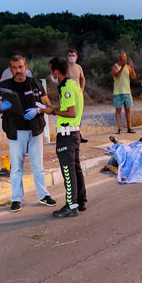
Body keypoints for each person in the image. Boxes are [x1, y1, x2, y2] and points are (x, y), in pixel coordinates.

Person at [0, 55, 56, 212]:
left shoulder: (35, 83)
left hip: (35, 130)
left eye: (21, 67)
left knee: (38, 166)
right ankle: (16, 199)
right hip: (15, 132)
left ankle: (43, 195)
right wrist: (2, 107)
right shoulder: (5, 86)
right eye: (15, 68)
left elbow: (48, 105)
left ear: (26, 67)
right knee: (16, 168)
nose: (18, 70)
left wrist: (38, 109)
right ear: (11, 70)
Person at [44, 57, 87, 218]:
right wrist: (52, 109)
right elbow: (68, 108)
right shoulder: (74, 84)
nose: (51, 75)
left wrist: (52, 112)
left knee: (68, 171)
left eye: (51, 71)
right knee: (75, 168)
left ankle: (71, 206)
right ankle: (80, 201)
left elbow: (71, 112)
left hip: (67, 135)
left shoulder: (66, 87)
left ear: (56, 72)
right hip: (74, 133)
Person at [111, 51, 137, 134]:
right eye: (123, 57)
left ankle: (129, 128)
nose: (124, 59)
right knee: (118, 110)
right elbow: (117, 76)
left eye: (125, 57)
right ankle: (120, 128)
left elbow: (133, 76)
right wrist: (122, 67)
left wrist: (132, 67)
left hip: (127, 92)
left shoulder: (127, 67)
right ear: (119, 58)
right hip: (118, 92)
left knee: (128, 110)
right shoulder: (115, 67)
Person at [67, 49, 88, 143]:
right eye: (70, 55)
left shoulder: (79, 67)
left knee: (78, 115)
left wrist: (81, 89)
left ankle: (78, 135)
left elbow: (83, 78)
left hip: (78, 94)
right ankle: (69, 136)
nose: (71, 57)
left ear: (76, 57)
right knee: (69, 115)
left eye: (73, 55)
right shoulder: (65, 67)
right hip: (68, 95)